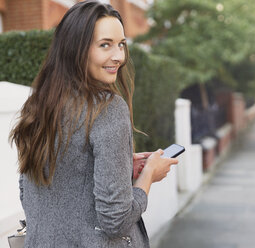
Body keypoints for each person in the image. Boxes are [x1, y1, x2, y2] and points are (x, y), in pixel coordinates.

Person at [9, 1, 178, 247]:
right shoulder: (107, 108)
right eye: (105, 45)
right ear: (75, 49)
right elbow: (116, 220)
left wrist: (119, 168)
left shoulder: (39, 105)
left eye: (121, 44)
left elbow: (35, 189)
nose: (119, 56)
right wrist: (149, 175)